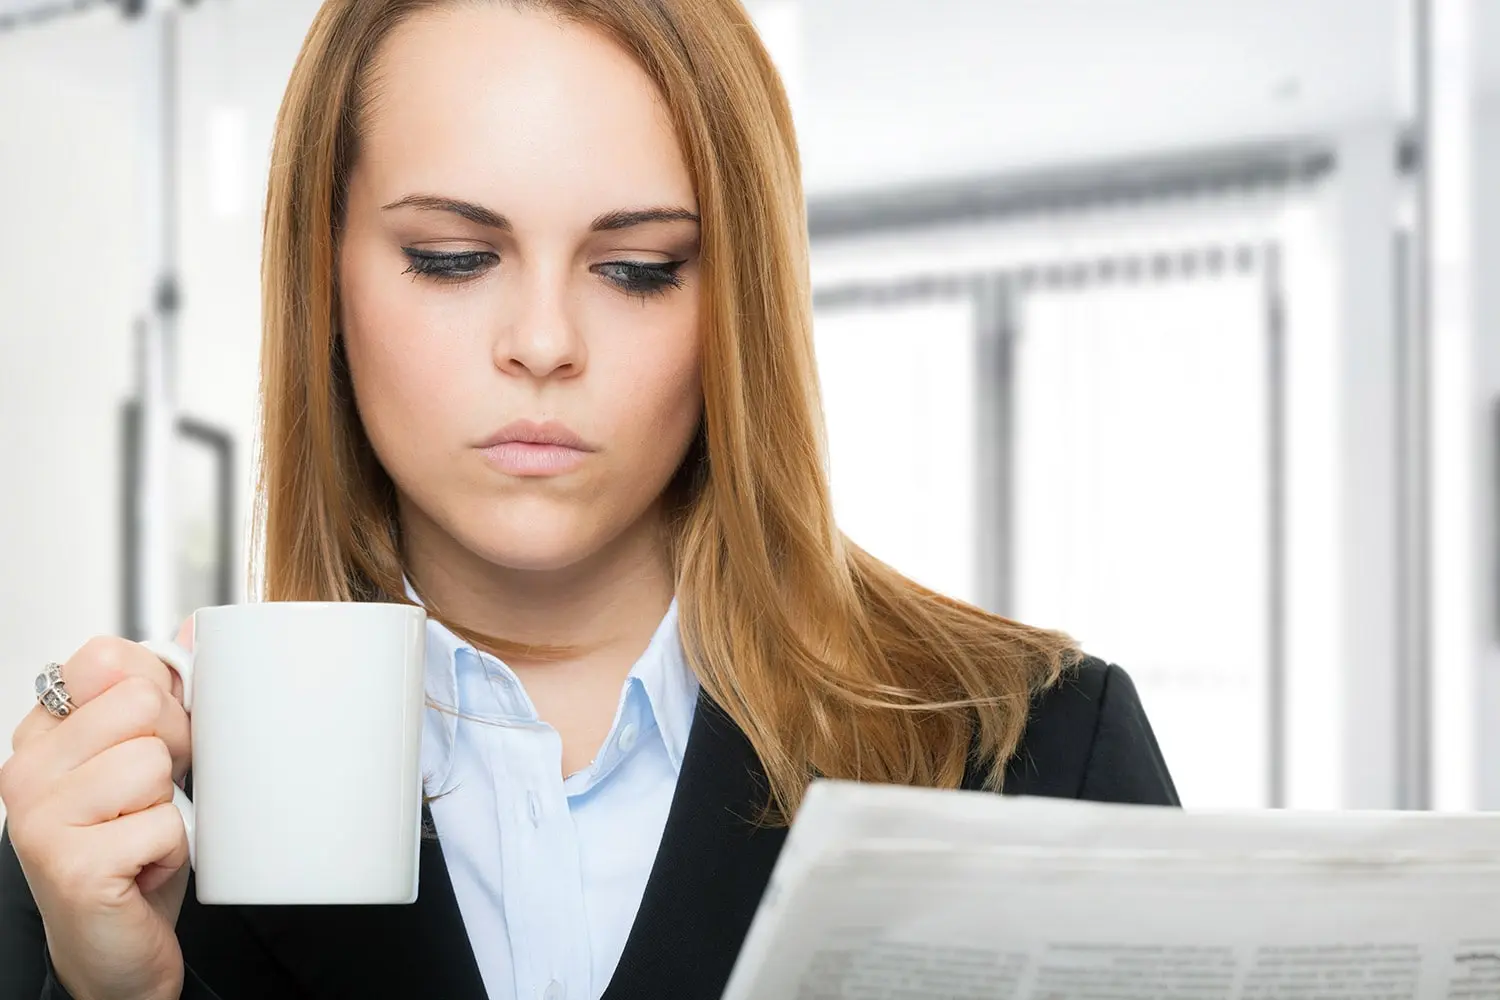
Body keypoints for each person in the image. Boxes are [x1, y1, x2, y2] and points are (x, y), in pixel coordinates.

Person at [0, 1, 1178, 998]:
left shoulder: (1037, 751)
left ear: (734, 301)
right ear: (325, 279)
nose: (544, 341)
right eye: (455, 257)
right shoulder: (114, 837)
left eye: (636, 269)